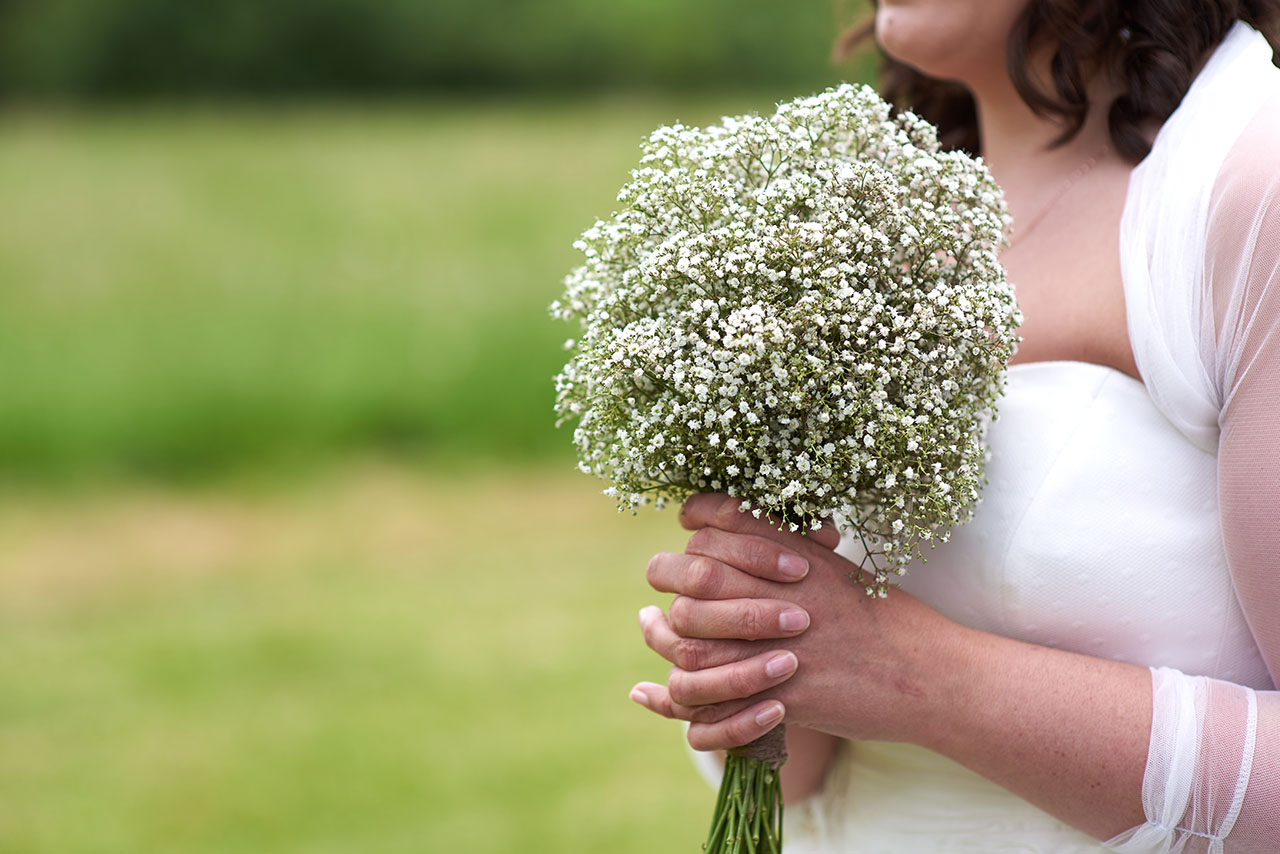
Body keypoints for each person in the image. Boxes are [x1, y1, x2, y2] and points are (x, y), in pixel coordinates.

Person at [626, 2, 1280, 851]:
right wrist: (748, 653)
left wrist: (917, 679)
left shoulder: (1248, 193)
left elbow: (879, 668)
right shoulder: (861, 219)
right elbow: (800, 776)